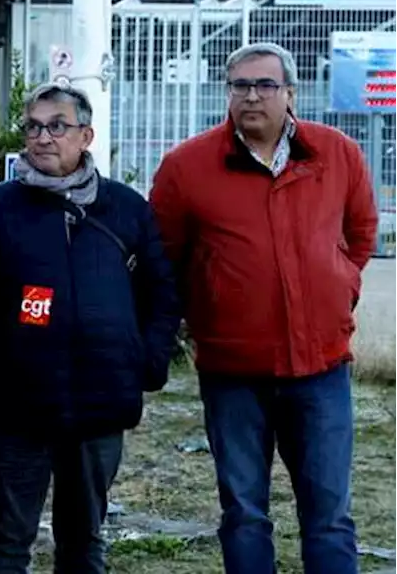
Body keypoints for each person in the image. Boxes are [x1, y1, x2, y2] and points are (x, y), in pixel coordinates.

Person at [149, 42, 378, 574]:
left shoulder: (337, 153)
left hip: (320, 369)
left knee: (329, 517)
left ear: (290, 94)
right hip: (233, 373)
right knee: (245, 513)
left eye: (264, 85)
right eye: (240, 86)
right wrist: (206, 306)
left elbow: (362, 232)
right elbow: (164, 257)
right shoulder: (186, 167)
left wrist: (340, 281)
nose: (251, 96)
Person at [0, 83, 180, 574]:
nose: (43, 137)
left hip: (102, 401)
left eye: (57, 126)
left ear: (85, 135)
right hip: (21, 405)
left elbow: (162, 293)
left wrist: (146, 363)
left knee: (83, 541)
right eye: (33, 126)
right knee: (7, 539)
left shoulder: (125, 207)